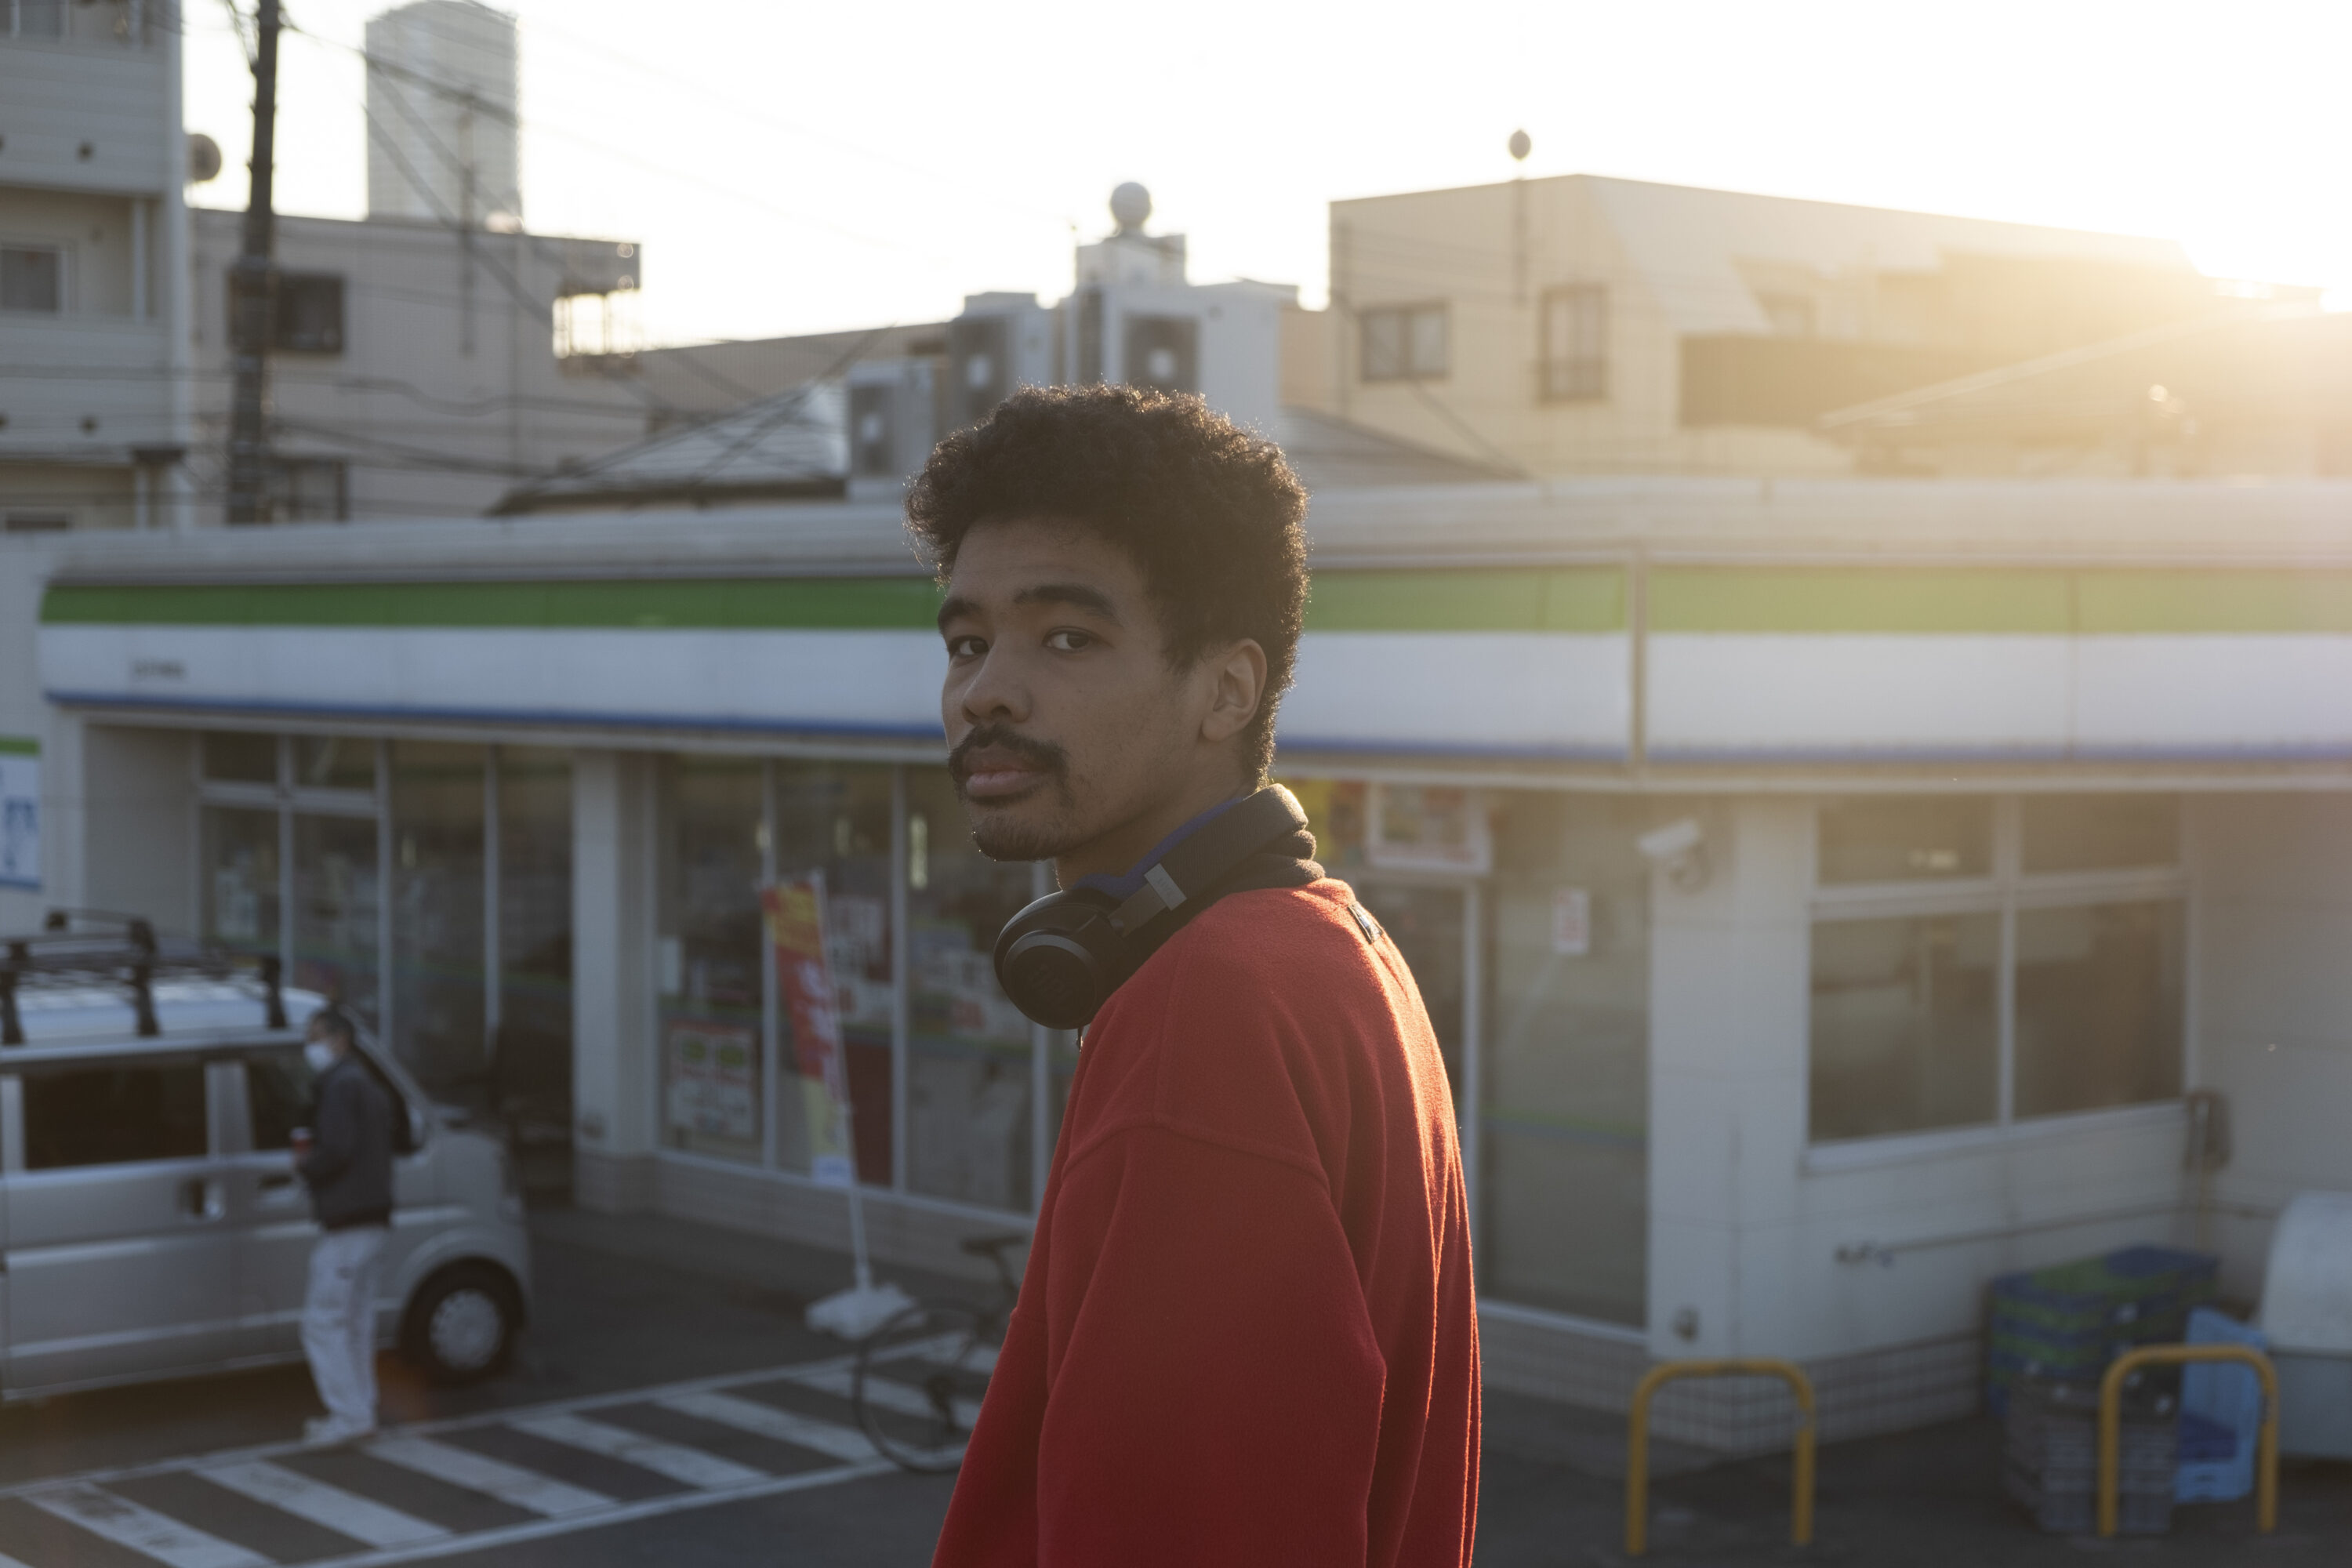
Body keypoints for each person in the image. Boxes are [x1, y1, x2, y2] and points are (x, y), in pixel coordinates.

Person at [916, 384, 1479, 1566]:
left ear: (1227, 689)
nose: (985, 691)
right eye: (968, 641)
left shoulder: (1206, 1009)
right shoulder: (1331, 948)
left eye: (1066, 637)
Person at [294, 1005, 397, 1445]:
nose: (309, 1046)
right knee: (355, 1321)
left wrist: (305, 1166)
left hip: (348, 1221)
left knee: (323, 1321)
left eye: (315, 1037)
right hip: (373, 1217)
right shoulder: (366, 1084)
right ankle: (361, 1409)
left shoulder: (339, 1086)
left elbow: (336, 1149)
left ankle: (349, 1417)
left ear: (340, 1040)